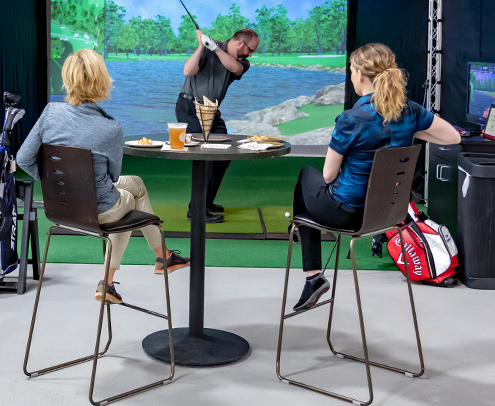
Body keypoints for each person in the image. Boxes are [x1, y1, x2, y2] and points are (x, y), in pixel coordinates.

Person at [291, 43, 460, 311]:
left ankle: (312, 273)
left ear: (360, 74)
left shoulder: (350, 118)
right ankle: (305, 243)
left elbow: (328, 174)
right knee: (313, 190)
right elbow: (453, 137)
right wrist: (411, 131)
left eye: (350, 71)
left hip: (346, 213)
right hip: (388, 215)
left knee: (306, 176)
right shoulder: (410, 111)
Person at [18, 49, 190, 304]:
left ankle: (162, 255)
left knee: (136, 185)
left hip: (59, 207)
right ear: (102, 80)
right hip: (99, 210)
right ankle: (110, 279)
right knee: (127, 203)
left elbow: (23, 159)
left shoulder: (50, 113)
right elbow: (112, 177)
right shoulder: (111, 128)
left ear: (67, 78)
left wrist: (55, 186)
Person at [177, 28, 260, 224]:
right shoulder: (206, 49)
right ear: (241, 43)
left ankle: (206, 202)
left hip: (211, 111)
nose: (250, 55)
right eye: (250, 50)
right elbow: (188, 71)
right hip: (190, 107)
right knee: (205, 157)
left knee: (223, 156)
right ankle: (196, 210)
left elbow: (235, 68)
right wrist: (201, 46)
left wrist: (213, 48)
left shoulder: (242, 63)